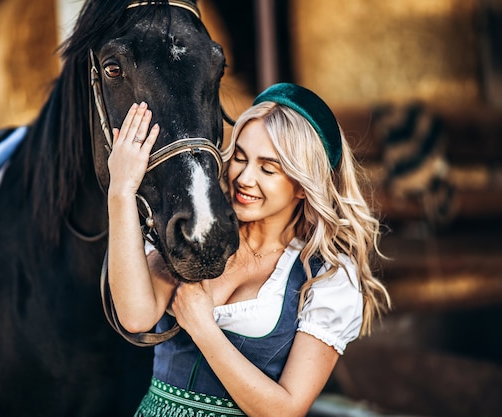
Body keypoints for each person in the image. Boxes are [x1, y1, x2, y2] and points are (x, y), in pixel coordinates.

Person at [107, 83, 391, 417]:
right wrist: (121, 191)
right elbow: (135, 316)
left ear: (303, 184)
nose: (245, 177)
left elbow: (286, 410)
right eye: (240, 157)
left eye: (267, 168)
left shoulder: (327, 277)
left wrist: (203, 328)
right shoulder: (199, 229)